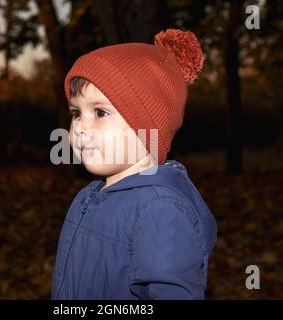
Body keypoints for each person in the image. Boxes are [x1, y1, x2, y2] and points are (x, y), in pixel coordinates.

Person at [50, 28, 217, 300]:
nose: (80, 127)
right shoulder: (88, 197)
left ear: (148, 126)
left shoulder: (160, 210)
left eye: (100, 112)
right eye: (76, 113)